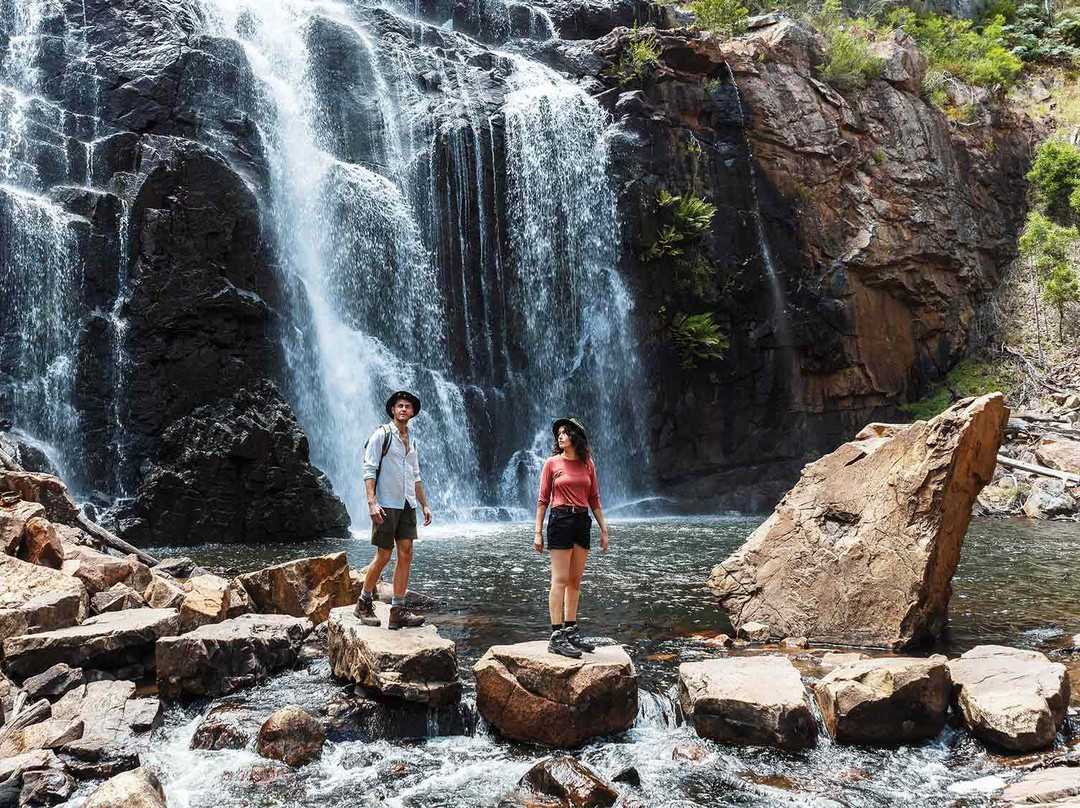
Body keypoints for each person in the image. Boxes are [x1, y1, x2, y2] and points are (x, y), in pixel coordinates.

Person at [354, 391, 433, 630]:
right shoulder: (382, 435)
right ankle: (363, 602)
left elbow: (415, 475)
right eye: (399, 406)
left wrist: (424, 504)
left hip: (407, 503)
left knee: (406, 552)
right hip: (386, 503)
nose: (403, 409)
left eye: (407, 406)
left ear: (412, 412)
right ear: (392, 410)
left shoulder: (412, 440)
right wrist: (371, 502)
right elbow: (369, 468)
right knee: (385, 555)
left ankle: (397, 610)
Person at [534, 417, 610, 658]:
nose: (560, 436)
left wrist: (603, 528)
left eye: (565, 432)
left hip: (582, 521)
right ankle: (556, 636)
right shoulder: (551, 463)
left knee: (575, 581)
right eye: (558, 432)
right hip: (560, 520)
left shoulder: (588, 464)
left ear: (576, 436)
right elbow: (542, 500)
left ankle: (571, 630)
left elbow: (594, 498)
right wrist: (537, 531)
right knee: (560, 579)